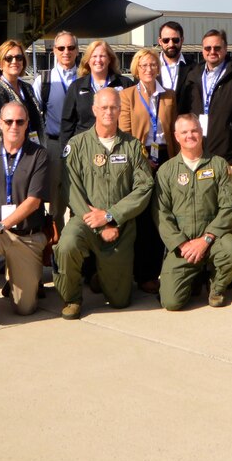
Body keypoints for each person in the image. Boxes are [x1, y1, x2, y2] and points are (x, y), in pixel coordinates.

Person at [56, 85, 155, 319]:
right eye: (103, 107)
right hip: (85, 220)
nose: (108, 112)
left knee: (120, 301)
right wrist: (99, 223)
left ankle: (102, 275)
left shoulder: (132, 146)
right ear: (94, 109)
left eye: (113, 107)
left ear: (120, 109)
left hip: (120, 225)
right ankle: (72, 298)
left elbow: (145, 186)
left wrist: (111, 216)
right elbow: (70, 189)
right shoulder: (77, 145)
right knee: (67, 244)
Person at [0, 97, 53, 331]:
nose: (14, 126)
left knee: (25, 308)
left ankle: (17, 280)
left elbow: (33, 202)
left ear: (27, 125)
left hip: (26, 235)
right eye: (9, 121)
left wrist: (0, 226)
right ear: (0, 124)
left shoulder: (39, 155)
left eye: (20, 121)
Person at [153, 114, 232, 310]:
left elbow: (230, 206)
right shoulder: (167, 170)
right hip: (183, 244)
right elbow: (161, 213)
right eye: (184, 132)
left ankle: (216, 287)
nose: (190, 135)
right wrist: (181, 243)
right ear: (176, 136)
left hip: (213, 238)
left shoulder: (218, 165)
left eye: (194, 130)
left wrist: (207, 239)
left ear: (201, 132)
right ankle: (194, 277)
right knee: (171, 303)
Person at [121, 47, 177, 293]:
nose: (148, 69)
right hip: (139, 159)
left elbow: (174, 130)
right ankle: (142, 273)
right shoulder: (127, 96)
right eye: (143, 65)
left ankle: (160, 269)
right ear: (136, 69)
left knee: (162, 213)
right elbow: (125, 133)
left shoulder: (169, 96)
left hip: (165, 156)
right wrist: (143, 160)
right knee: (142, 217)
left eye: (153, 65)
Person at [176, 28, 232, 169]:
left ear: (225, 49)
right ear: (202, 50)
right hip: (199, 157)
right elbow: (184, 112)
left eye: (217, 48)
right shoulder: (192, 77)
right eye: (207, 48)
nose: (212, 51)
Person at [37, 31, 83, 226]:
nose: (66, 52)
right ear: (54, 51)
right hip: (54, 144)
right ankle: (56, 245)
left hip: (81, 146)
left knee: (81, 193)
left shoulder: (85, 78)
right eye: (61, 48)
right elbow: (35, 114)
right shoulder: (44, 80)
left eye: (71, 48)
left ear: (78, 51)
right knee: (56, 198)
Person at [60, 39, 130, 141]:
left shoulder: (125, 84)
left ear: (109, 59)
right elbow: (67, 123)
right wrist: (66, 153)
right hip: (84, 147)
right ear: (88, 60)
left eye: (102, 56)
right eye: (94, 56)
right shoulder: (76, 87)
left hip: (117, 144)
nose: (98, 60)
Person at [0, 40, 43, 141]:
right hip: (13, 152)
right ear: (0, 64)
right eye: (9, 58)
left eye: (19, 58)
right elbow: (0, 131)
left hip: (35, 148)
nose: (14, 62)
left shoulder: (27, 88)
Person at [154, 21, 190, 93]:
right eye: (166, 40)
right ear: (160, 41)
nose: (171, 44)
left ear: (182, 40)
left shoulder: (194, 69)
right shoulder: (149, 67)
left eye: (175, 40)